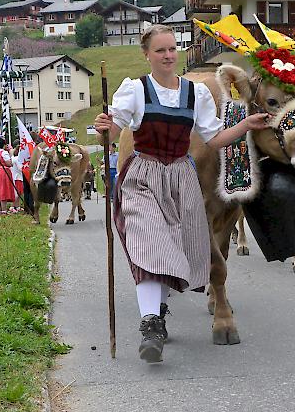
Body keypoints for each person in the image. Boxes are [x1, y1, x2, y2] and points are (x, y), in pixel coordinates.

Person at [93, 24, 269, 364]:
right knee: (148, 243)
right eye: (160, 50)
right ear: (147, 55)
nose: (168, 55)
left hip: (180, 178)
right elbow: (114, 132)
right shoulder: (135, 91)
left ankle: (156, 311)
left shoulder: (194, 94)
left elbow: (214, 138)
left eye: (172, 49)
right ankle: (151, 324)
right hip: (143, 175)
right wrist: (106, 128)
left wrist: (246, 126)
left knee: (171, 250)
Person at [0, 137, 15, 214]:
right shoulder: (4, 153)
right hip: (4, 171)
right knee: (3, 189)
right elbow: (9, 163)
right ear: (4, 145)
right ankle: (4, 209)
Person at [10, 144, 24, 213]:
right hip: (17, 177)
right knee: (17, 193)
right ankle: (13, 206)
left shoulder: (13, 158)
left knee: (19, 193)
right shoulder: (17, 159)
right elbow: (20, 168)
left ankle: (17, 206)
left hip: (15, 176)